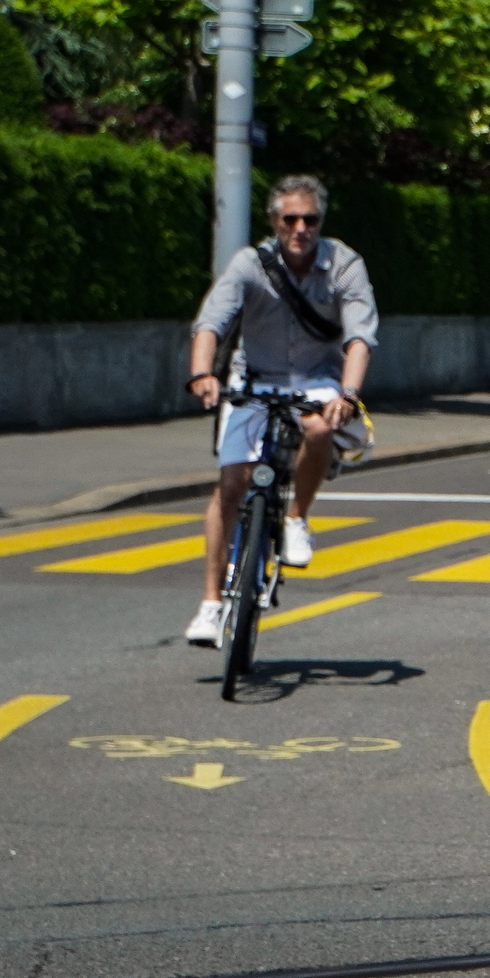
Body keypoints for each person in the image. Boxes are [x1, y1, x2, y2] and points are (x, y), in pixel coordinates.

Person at [184, 175, 379, 646]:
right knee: (231, 485)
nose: (300, 228)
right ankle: (211, 606)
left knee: (316, 429)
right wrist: (202, 374)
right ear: (274, 221)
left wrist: (348, 394)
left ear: (320, 222)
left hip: (316, 378)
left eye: (309, 219)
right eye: (289, 219)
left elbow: (359, 336)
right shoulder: (251, 264)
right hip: (253, 377)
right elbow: (212, 321)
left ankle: (295, 519)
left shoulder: (344, 264)